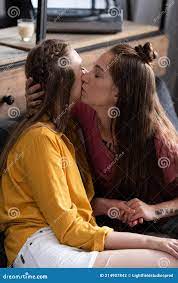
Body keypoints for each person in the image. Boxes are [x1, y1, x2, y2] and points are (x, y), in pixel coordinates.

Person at [1, 39, 178, 268]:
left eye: (96, 73)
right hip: (48, 246)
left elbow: (69, 210)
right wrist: (40, 98)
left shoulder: (159, 141)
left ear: (118, 94)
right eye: (82, 70)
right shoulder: (60, 127)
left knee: (167, 260)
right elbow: (70, 227)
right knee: (167, 261)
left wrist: (153, 211)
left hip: (74, 239)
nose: (85, 75)